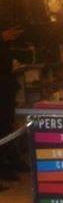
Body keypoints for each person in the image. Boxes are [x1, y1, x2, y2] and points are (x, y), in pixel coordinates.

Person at [0, 24, 24, 181]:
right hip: (2, 90)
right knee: (3, 127)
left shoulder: (5, 46)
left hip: (6, 90)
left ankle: (11, 161)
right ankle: (5, 167)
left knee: (7, 126)